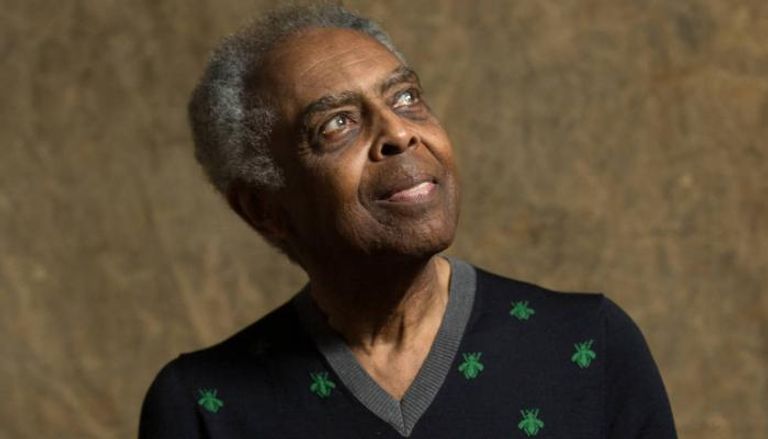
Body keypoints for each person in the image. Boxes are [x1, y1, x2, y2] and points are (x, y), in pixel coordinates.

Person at [139, 4, 677, 438]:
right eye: (337, 124)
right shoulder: (202, 407)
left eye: (406, 97)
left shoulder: (587, 343)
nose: (399, 132)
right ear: (264, 209)